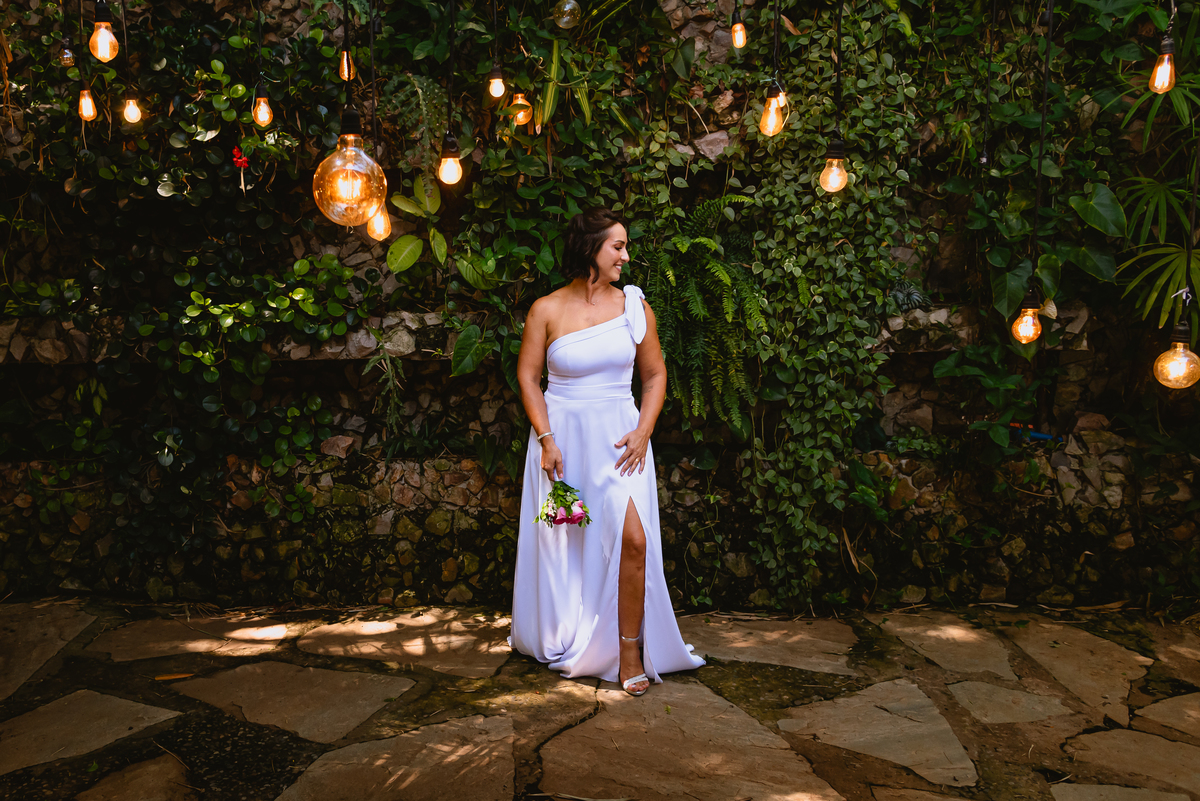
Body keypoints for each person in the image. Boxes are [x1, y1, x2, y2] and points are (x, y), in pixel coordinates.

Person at [509, 207, 705, 696]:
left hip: (622, 443)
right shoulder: (546, 309)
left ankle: (630, 650)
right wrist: (546, 439)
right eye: (617, 246)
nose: (626, 255)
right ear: (591, 247)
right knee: (567, 542)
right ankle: (576, 632)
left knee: (633, 539)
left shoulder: (635, 306)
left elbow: (654, 375)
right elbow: (528, 378)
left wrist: (644, 430)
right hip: (562, 443)